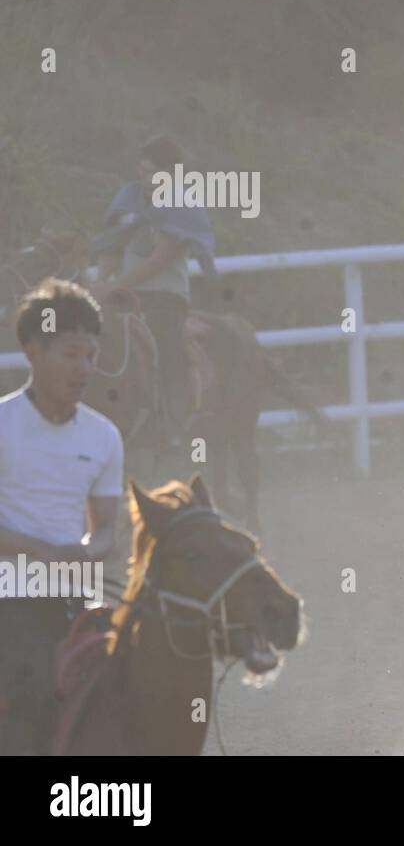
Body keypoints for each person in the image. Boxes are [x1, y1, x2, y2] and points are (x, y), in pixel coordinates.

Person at [0, 279, 121, 755]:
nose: (85, 368)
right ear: (33, 351)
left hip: (78, 600)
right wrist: (43, 551)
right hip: (10, 598)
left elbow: (108, 527)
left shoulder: (104, 436)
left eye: (91, 356)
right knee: (33, 694)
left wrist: (87, 551)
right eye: (72, 355)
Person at [92, 135, 216, 447]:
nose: (145, 179)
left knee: (165, 342)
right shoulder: (129, 198)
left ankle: (171, 422)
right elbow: (112, 243)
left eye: (152, 173)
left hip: (164, 295)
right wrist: (100, 281)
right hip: (125, 293)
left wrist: (115, 285)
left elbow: (160, 259)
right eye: (142, 172)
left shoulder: (182, 205)